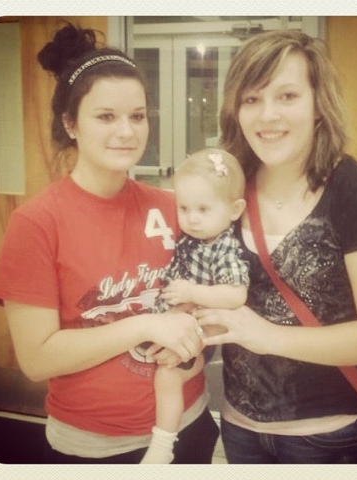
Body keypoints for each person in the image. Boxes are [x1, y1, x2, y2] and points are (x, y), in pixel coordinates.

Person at [0, 23, 219, 464]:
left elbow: (208, 301)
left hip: (188, 424)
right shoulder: (36, 223)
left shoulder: (173, 207)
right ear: (70, 123)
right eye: (106, 117)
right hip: (96, 448)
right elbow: (37, 359)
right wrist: (146, 326)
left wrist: (194, 338)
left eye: (138, 116)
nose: (127, 131)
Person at [194, 30, 357, 464]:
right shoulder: (229, 185)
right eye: (252, 99)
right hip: (238, 428)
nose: (267, 115)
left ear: (318, 104)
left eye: (287, 96)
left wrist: (269, 336)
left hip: (331, 437)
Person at [141, 148, 249, 463]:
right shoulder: (193, 238)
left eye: (203, 208)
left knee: (168, 376)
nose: (192, 218)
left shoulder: (224, 247)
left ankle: (162, 446)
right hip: (186, 317)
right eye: (184, 208)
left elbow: (236, 295)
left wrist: (192, 292)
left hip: (206, 325)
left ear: (234, 210)